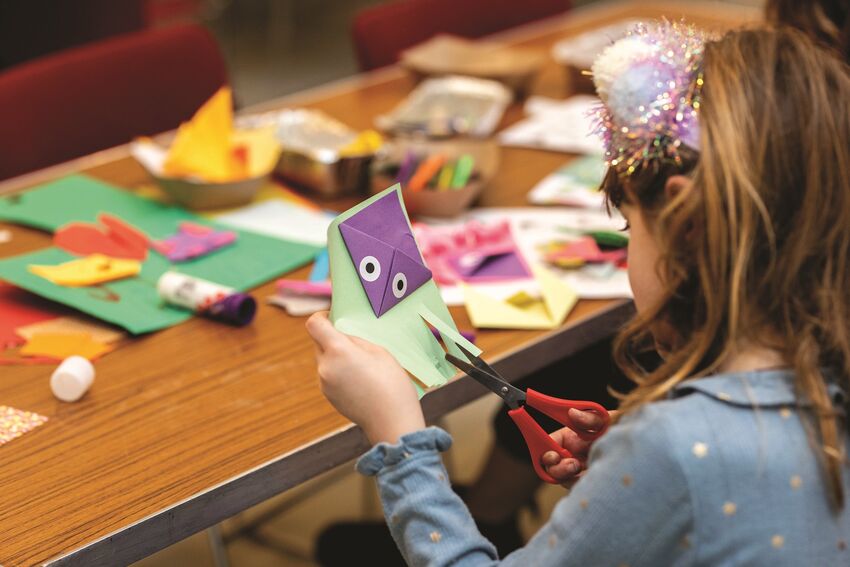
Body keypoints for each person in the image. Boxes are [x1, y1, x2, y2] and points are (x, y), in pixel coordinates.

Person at [307, 21, 850, 565]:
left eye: (631, 228)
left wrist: (400, 441)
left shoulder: (673, 448)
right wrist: (628, 491)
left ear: (685, 229)